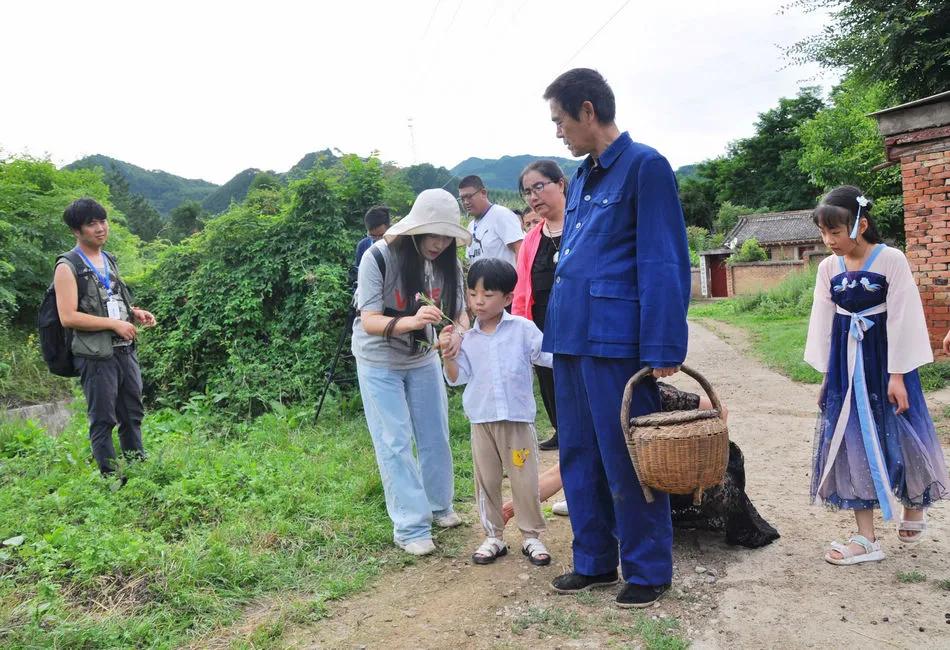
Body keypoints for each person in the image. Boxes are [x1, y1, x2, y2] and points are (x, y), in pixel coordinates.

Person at [540, 68, 691, 608]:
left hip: (617, 342)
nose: (558, 132)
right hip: (571, 338)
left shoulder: (645, 167)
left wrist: (664, 345)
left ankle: (648, 570)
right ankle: (595, 561)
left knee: (627, 455)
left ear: (586, 110)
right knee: (579, 453)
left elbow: (663, 258)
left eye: (560, 120)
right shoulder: (580, 178)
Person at [804, 185, 949, 565]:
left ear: (860, 224)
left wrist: (898, 374)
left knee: (900, 429)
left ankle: (915, 502)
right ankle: (866, 537)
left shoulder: (890, 260)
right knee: (851, 439)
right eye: (823, 233)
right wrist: (826, 378)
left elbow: (904, 316)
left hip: (885, 362)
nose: (829, 240)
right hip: (845, 368)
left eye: (836, 232)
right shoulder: (827, 268)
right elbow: (823, 323)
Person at [352, 189, 470, 556]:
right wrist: (412, 321)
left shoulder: (450, 265)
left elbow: (462, 312)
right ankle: (410, 526)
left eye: (446, 235)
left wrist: (456, 335)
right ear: (415, 230)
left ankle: (439, 506)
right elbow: (369, 320)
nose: (438, 243)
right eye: (432, 234)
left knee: (435, 433)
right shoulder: (379, 257)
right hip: (379, 361)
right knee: (395, 441)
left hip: (421, 358)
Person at [439, 258, 553, 566]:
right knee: (486, 480)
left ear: (507, 298)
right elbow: (456, 378)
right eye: (473, 293)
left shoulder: (523, 330)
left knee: (524, 480)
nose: (479, 301)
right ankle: (493, 536)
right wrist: (447, 353)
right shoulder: (465, 339)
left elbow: (549, 357)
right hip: (482, 422)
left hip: (517, 421)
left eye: (488, 295)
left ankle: (531, 536)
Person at [53, 198, 157, 477]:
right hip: (95, 355)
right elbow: (68, 317)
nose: (100, 228)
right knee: (103, 419)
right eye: (91, 224)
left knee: (132, 413)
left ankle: (137, 471)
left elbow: (110, 298)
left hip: (124, 349)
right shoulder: (67, 266)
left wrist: (134, 313)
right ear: (77, 230)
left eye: (103, 221)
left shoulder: (108, 258)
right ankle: (113, 480)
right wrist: (113, 324)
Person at [512, 160, 568, 451]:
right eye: (527, 192)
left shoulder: (583, 224)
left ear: (560, 184)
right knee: (549, 379)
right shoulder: (532, 238)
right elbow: (522, 288)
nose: (533, 197)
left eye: (538, 187)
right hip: (542, 325)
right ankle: (562, 430)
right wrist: (522, 327)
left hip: (580, 323)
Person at [458, 175, 523, 266]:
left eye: (469, 196)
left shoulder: (501, 215)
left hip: (506, 280)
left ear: (483, 193)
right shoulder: (471, 226)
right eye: (462, 199)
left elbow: (521, 250)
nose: (466, 202)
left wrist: (521, 279)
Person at [352, 205, 391, 283]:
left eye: (381, 235)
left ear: (389, 228)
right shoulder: (363, 245)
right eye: (372, 236)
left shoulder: (396, 245)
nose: (377, 240)